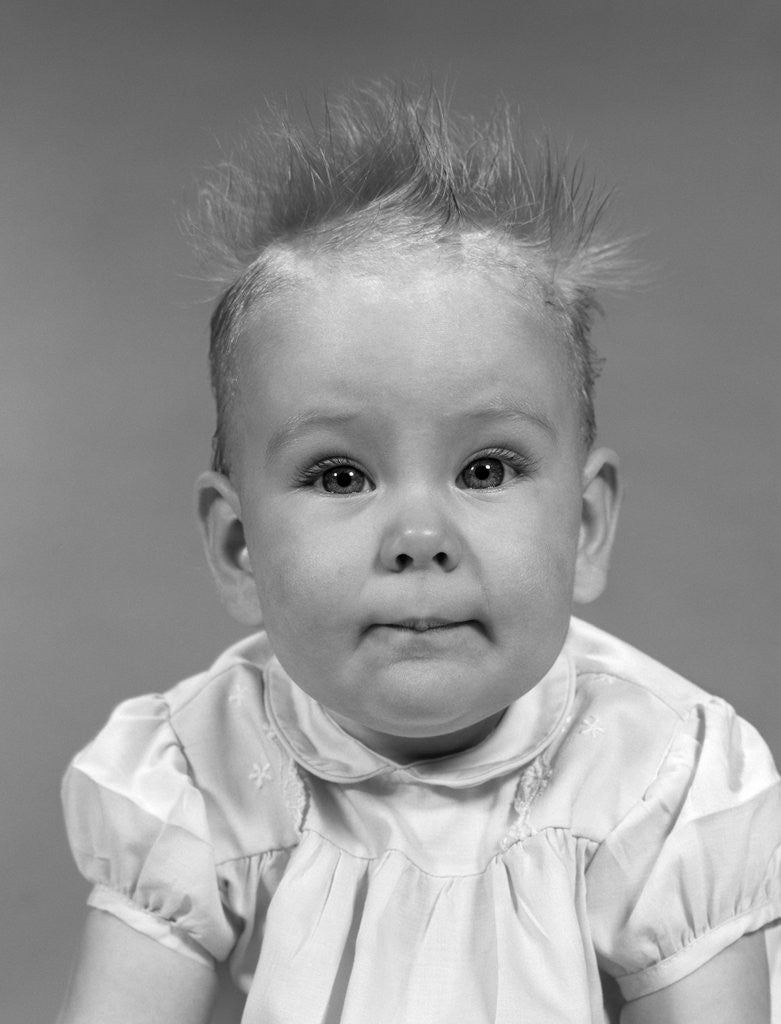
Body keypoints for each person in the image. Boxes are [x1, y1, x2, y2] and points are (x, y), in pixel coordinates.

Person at [57, 85, 780, 1024]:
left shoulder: (661, 776)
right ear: (239, 547)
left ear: (586, 529)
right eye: (340, 476)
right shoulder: (198, 772)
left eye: (485, 468)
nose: (419, 539)